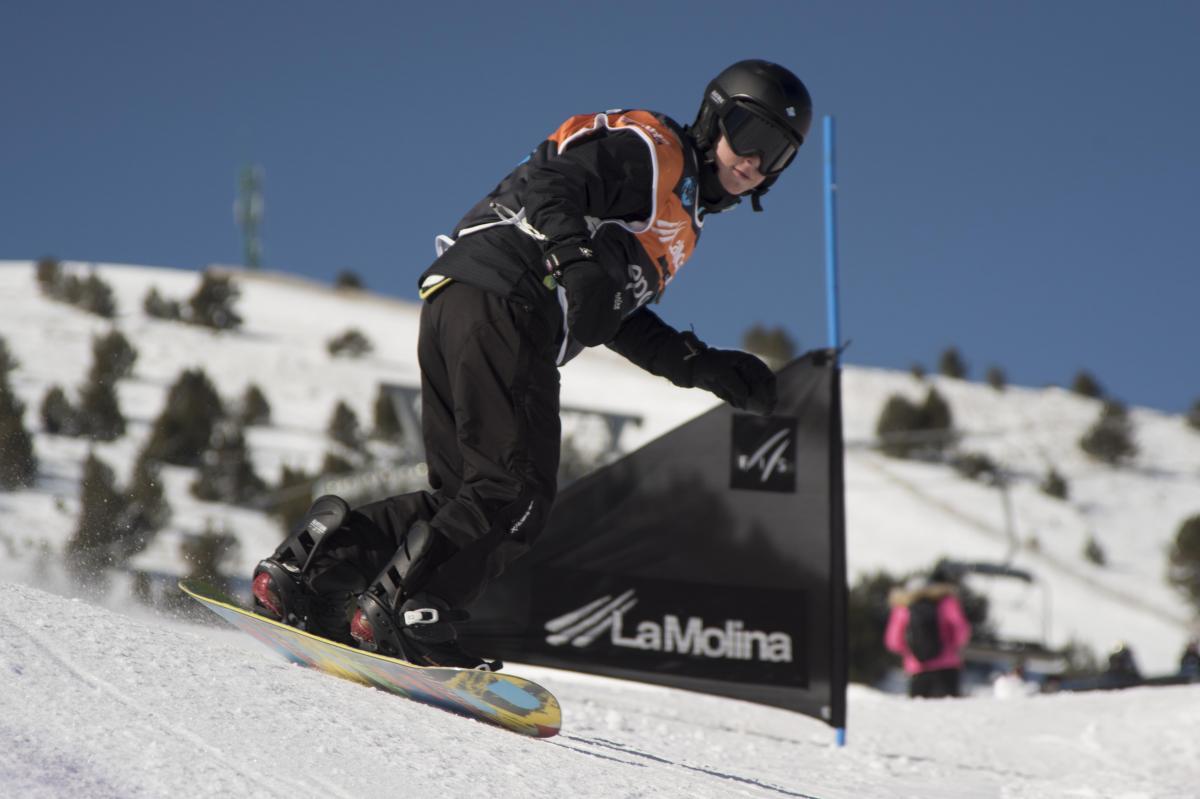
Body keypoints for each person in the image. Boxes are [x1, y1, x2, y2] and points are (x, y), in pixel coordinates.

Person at [250, 60, 814, 668]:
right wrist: (573, 259)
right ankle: (411, 611)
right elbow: (554, 182)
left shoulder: (681, 215)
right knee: (516, 492)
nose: (754, 161)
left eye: (777, 155)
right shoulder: (656, 152)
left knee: (468, 498)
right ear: (713, 117)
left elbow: (609, 312)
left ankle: (308, 575)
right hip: (510, 297)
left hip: (463, 299)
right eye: (748, 135)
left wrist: (698, 363)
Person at [884, 565, 973, 698]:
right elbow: (961, 629)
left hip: (917, 668)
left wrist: (910, 651)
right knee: (949, 712)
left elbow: (893, 642)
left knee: (919, 714)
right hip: (947, 666)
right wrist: (954, 647)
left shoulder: (903, 607)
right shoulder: (946, 602)